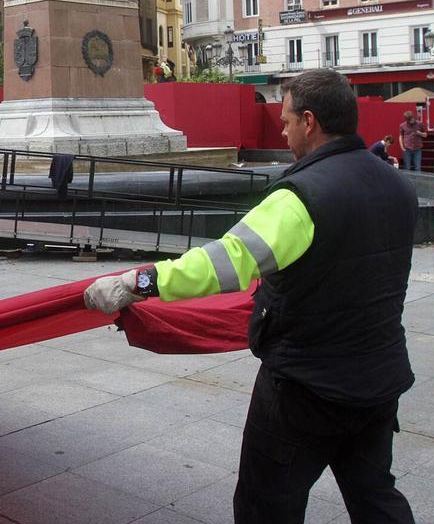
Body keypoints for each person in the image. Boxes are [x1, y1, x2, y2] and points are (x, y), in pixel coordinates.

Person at [84, 69, 417, 524]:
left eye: (286, 121)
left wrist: (138, 282)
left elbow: (227, 261)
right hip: (379, 380)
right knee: (375, 498)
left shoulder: (301, 197)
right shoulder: (398, 185)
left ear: (310, 122)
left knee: (265, 506)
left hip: (306, 388)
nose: (282, 132)